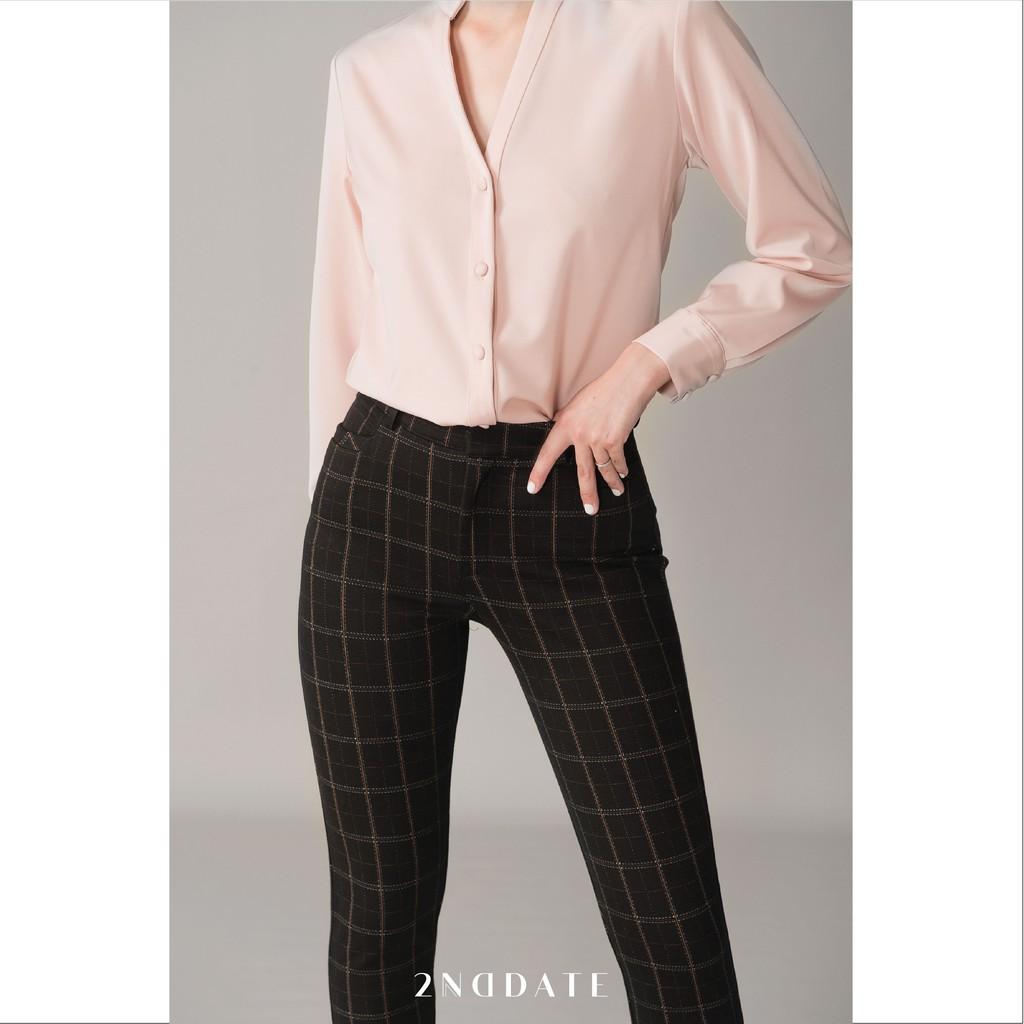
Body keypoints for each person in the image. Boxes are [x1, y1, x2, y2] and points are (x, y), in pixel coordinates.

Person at [297, 1, 852, 1021]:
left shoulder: (662, 31)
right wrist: (329, 505)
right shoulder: (368, 72)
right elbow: (343, 316)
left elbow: (812, 246)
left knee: (670, 927)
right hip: (374, 505)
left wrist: (645, 365)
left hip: (570, 495)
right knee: (378, 918)